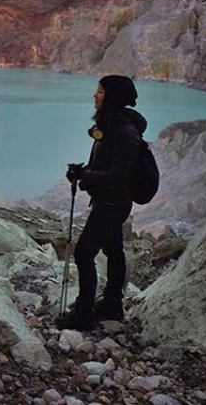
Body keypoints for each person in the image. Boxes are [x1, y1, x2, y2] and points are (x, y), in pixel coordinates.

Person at [56, 74, 148, 331]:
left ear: (113, 97)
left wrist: (84, 175)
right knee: (113, 250)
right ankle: (111, 304)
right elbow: (107, 167)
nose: (95, 96)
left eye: (100, 91)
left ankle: (84, 314)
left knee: (84, 253)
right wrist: (84, 173)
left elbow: (118, 176)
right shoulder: (113, 126)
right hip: (109, 202)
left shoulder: (124, 133)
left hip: (111, 204)